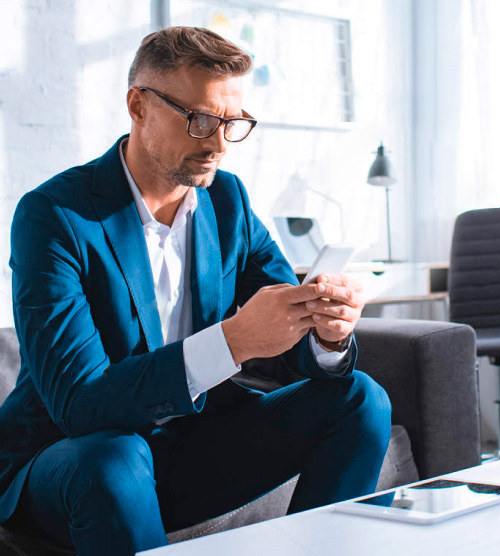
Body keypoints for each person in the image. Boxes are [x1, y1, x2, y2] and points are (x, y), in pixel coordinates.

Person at [0, 27, 391, 556]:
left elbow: (285, 331)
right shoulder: (55, 215)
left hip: (190, 449)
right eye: (201, 119)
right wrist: (232, 342)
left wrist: (326, 332)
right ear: (138, 106)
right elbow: (80, 405)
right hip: (68, 463)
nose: (218, 143)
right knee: (112, 458)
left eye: (232, 123)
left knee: (360, 398)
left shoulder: (226, 201)